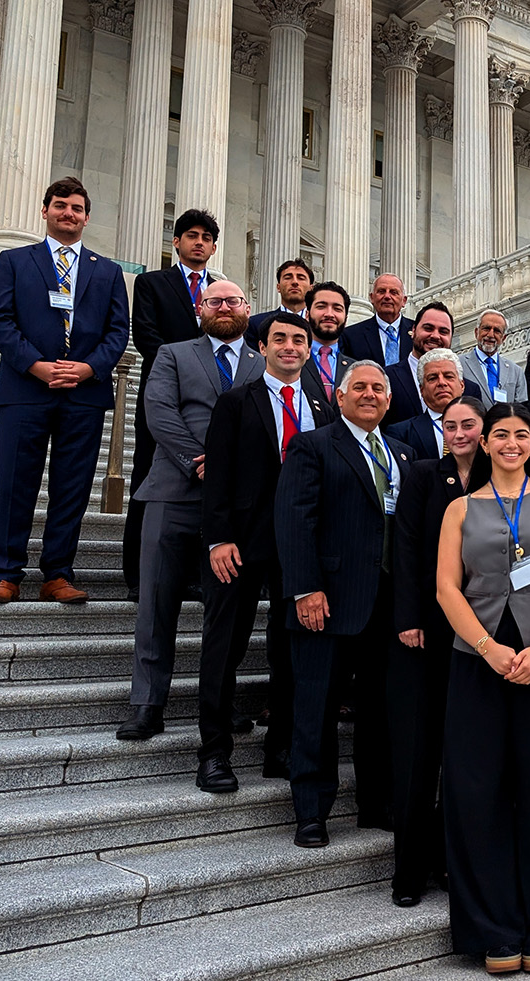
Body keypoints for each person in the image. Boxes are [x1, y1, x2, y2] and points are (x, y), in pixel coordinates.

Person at [436, 403, 530, 972]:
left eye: (521, 434)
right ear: (483, 440)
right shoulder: (457, 509)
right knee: (478, 794)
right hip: (479, 659)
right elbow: (448, 588)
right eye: (499, 433)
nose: (510, 442)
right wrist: (489, 647)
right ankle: (494, 930)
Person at [118, 279, 264, 742]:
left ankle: (218, 701)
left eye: (233, 301)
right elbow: (158, 411)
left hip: (235, 508)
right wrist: (201, 462)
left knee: (227, 613)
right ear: (201, 308)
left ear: (247, 308)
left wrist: (228, 474)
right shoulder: (174, 354)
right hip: (174, 492)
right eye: (215, 301)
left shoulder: (265, 365)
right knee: (156, 603)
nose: (224, 307)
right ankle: (147, 702)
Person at [275, 361, 412, 848]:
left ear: (390, 399)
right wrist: (305, 589)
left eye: (379, 388)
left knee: (379, 712)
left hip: (386, 608)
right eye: (360, 387)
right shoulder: (312, 446)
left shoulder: (402, 452)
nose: (370, 394)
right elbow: (294, 521)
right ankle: (311, 811)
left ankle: (376, 804)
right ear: (339, 395)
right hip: (326, 603)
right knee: (316, 708)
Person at [198, 311, 334, 789]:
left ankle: (280, 749)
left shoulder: (322, 405)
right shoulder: (237, 402)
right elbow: (217, 478)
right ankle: (214, 753)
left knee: (289, 652)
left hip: (297, 550)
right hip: (239, 546)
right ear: (262, 347)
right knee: (224, 648)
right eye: (281, 339)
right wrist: (218, 538)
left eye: (300, 339)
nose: (291, 346)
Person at [0, 178, 129, 605]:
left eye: (77, 207)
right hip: (25, 389)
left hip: (83, 396)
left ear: (86, 217)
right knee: (14, 482)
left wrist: (88, 368)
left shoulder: (107, 271)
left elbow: (119, 332)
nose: (69, 213)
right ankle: (6, 573)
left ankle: (58, 573)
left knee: (72, 486)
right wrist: (38, 366)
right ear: (45, 211)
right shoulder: (15, 260)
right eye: (61, 205)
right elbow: (0, 322)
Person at [390, 396, 487, 908]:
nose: (458, 432)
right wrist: (407, 617)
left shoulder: (501, 480)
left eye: (468, 424)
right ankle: (409, 871)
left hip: (482, 636)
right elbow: (404, 547)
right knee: (420, 751)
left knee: (466, 754)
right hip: (427, 631)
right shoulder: (425, 475)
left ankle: (453, 864)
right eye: (450, 425)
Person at [125, 208, 218, 602]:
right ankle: (138, 574)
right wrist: (184, 369)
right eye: (191, 235)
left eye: (206, 238)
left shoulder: (220, 292)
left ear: (213, 247)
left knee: (204, 487)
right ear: (176, 241)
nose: (199, 242)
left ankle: (192, 574)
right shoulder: (152, 283)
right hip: (162, 399)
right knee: (148, 480)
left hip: (208, 406)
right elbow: (146, 336)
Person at [383, 302, 481, 428]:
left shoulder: (470, 390)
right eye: (428, 328)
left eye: (443, 331)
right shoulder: (386, 378)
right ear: (413, 330)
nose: (435, 336)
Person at [391, 349, 468, 461]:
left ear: (462, 385)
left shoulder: (484, 426)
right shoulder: (402, 434)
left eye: (448, 376)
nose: (441, 382)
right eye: (433, 378)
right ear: (422, 390)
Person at [340, 273, 413, 366]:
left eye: (393, 292)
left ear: (404, 300)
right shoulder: (351, 336)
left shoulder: (418, 332)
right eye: (381, 291)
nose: (387, 296)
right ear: (372, 298)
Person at [299, 281, 353, 405]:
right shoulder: (291, 361)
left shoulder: (355, 368)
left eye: (337, 309)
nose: (329, 314)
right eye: (321, 306)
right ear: (307, 315)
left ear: (345, 319)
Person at [459, 310, 528, 405]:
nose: (491, 335)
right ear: (476, 332)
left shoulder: (516, 371)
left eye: (497, 331)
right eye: (486, 328)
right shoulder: (459, 364)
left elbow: (521, 409)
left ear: (503, 338)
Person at [244, 258, 314, 346]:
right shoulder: (256, 324)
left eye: (301, 278)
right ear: (278, 287)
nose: (295, 282)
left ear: (311, 288)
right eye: (288, 277)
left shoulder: (321, 325)